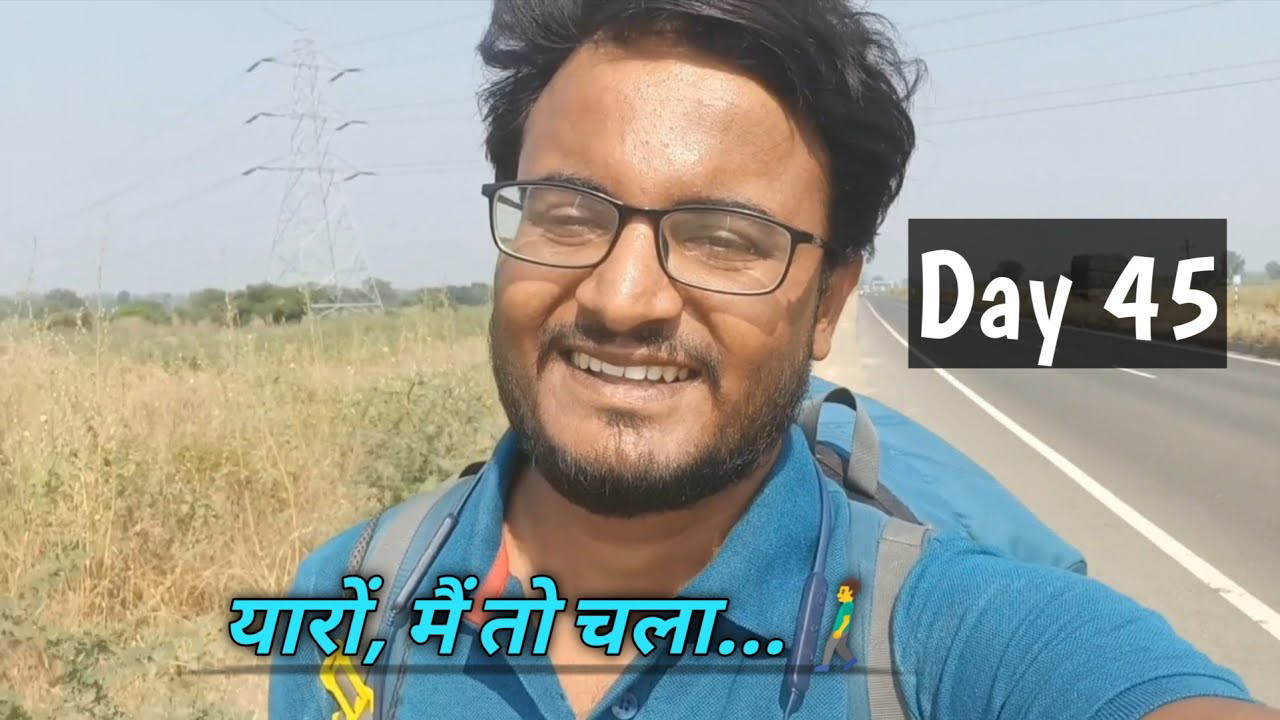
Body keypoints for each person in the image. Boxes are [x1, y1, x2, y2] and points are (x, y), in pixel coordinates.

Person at [269, 1, 1277, 718]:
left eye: (723, 238)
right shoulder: (348, 598)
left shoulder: (938, 637)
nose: (623, 300)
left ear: (831, 299)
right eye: (569, 214)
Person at [815, 579, 858, 674]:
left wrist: (839, 631)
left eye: (843, 592)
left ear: (850, 592)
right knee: (840, 647)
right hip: (843, 630)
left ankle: (825, 666)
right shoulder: (847, 605)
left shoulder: (848, 606)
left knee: (829, 646)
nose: (839, 594)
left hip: (839, 630)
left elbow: (846, 620)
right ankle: (851, 660)